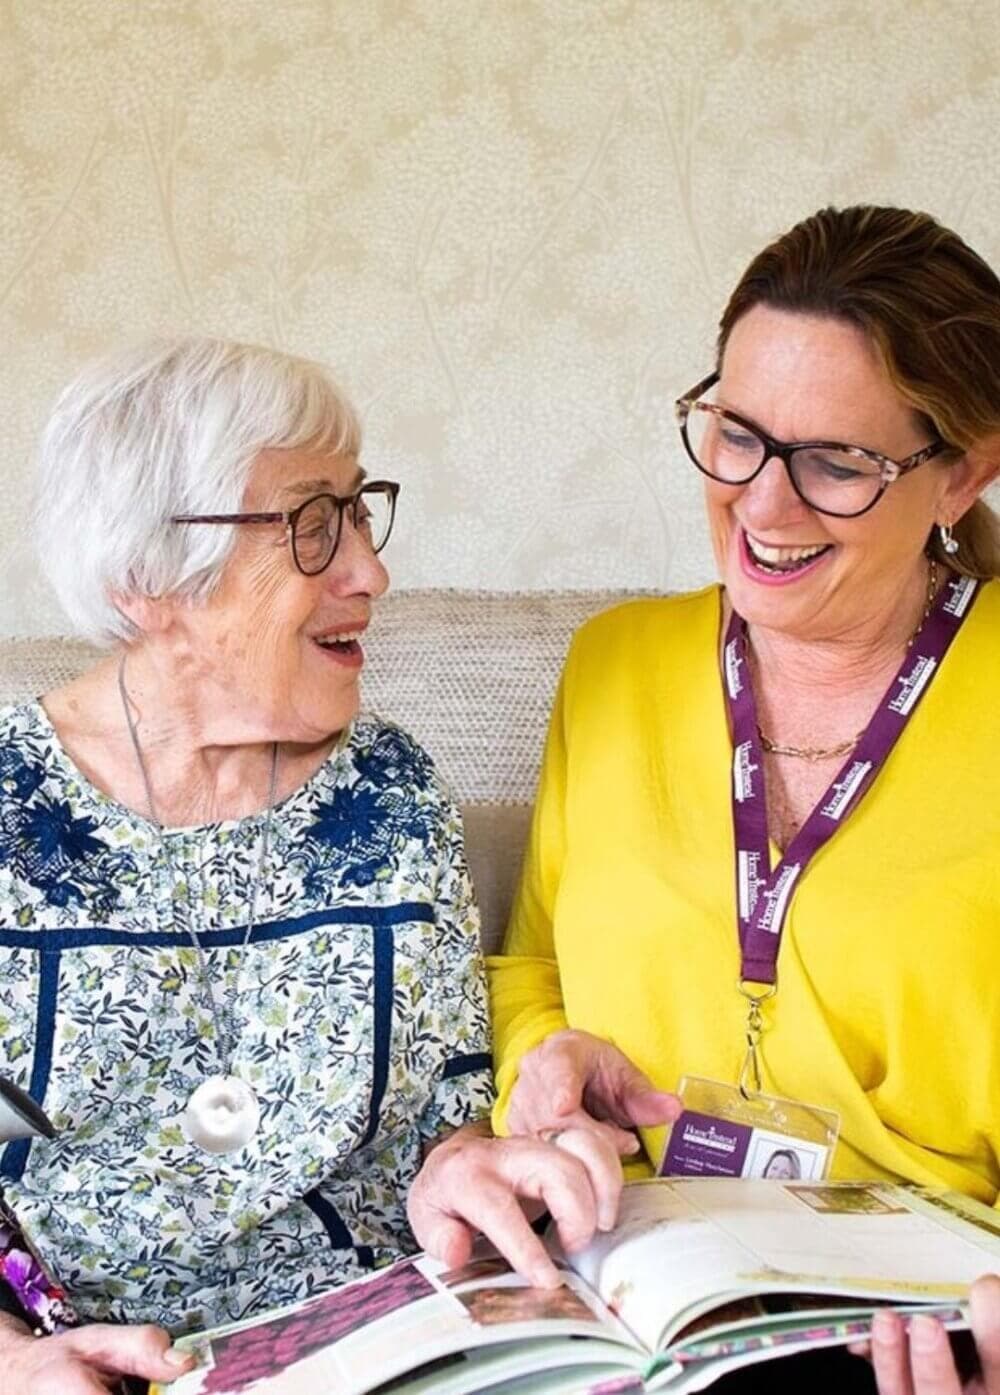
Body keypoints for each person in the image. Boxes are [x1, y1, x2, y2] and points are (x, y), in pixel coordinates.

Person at [0, 337, 609, 1394]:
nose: (371, 571)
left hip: (382, 1345)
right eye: (311, 525)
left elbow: (439, 1118)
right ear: (151, 577)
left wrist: (469, 1167)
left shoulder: (387, 792)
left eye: (359, 510)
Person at [488, 206, 1000, 1392]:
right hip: (628, 1290)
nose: (762, 506)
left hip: (917, 1326)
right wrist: (542, 1064)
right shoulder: (615, 662)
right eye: (735, 435)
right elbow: (531, 967)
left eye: (836, 462)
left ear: (962, 471)